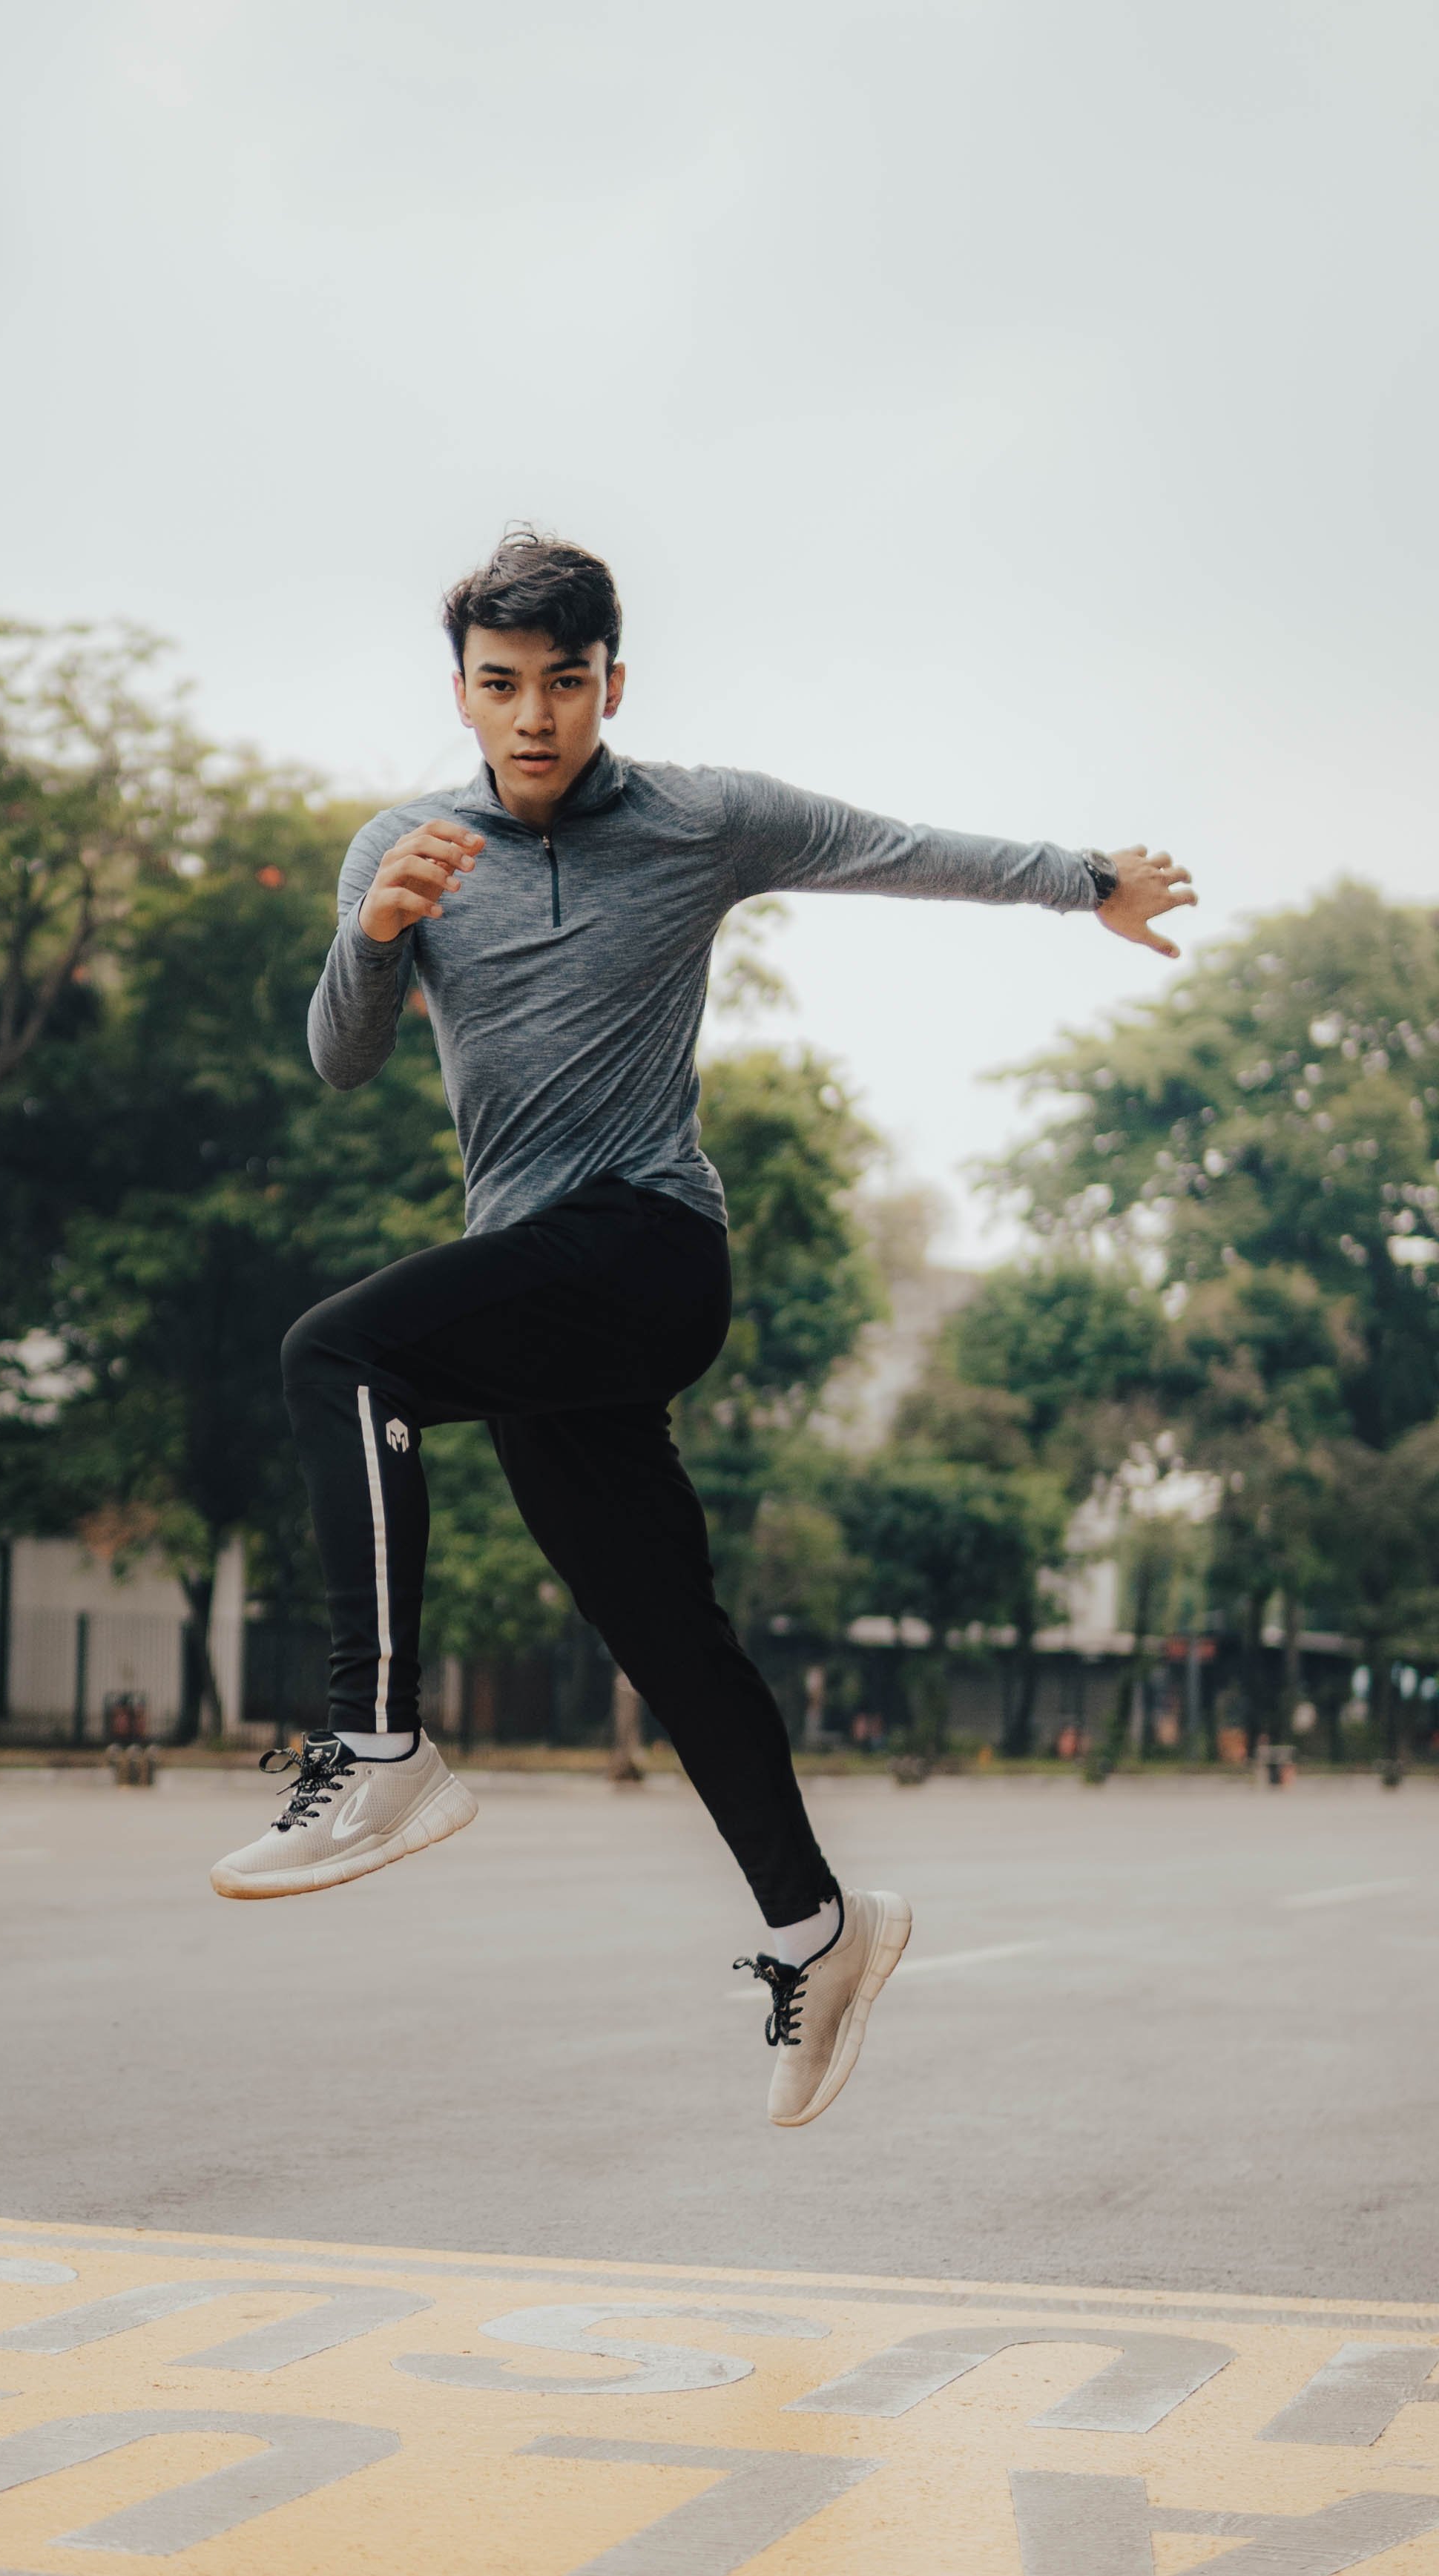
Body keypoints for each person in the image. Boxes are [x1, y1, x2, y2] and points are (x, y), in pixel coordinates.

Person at [210, 530, 1195, 2127]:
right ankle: (820, 1931)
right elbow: (342, 1057)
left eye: (566, 684)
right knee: (664, 1634)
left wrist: (1085, 881)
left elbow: (892, 845)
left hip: (651, 1248)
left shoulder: (695, 821)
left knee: (339, 1353)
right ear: (460, 691)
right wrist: (371, 936)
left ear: (613, 682)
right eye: (501, 687)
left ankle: (375, 1742)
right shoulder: (403, 844)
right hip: (541, 1294)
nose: (534, 719)